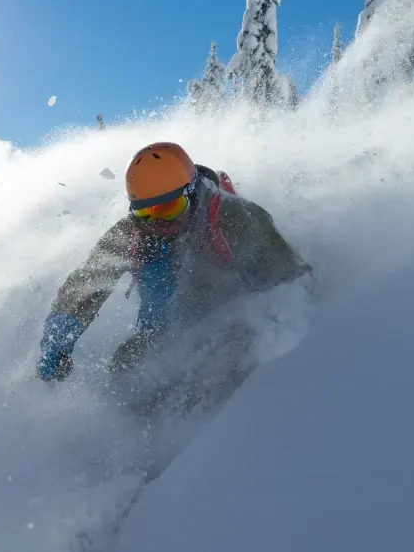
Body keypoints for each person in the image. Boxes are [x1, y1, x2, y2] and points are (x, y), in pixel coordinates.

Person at [36, 141, 310, 383]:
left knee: (219, 362)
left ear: (191, 194)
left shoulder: (233, 219)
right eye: (145, 212)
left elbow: (291, 280)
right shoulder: (133, 232)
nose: (158, 224)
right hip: (163, 331)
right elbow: (91, 279)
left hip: (227, 319)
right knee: (125, 368)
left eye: (169, 208)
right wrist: (59, 337)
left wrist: (283, 329)